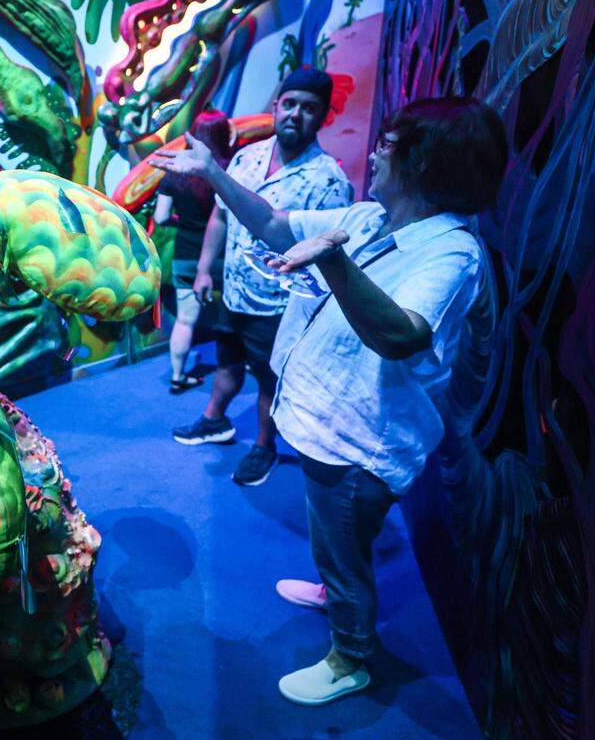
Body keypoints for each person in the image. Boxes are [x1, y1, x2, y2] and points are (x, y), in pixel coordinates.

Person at [150, 96, 507, 705]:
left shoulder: (451, 250)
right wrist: (213, 174)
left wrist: (334, 262)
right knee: (337, 538)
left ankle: (351, 658)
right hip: (327, 422)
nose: (374, 152)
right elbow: (271, 222)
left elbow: (401, 335)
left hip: (361, 440)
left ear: (424, 163)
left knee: (342, 546)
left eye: (389, 146)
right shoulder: (373, 218)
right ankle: (332, 587)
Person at [170, 69, 353, 490]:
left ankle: (265, 446)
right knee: (228, 362)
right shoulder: (246, 158)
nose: (296, 115)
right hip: (234, 293)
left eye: (309, 109)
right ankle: (214, 420)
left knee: (269, 380)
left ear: (322, 116)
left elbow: (328, 254)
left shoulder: (328, 180)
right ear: (276, 107)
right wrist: (203, 270)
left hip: (279, 307)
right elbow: (219, 215)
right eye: (289, 104)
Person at [154, 110, 231, 394]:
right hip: (224, 258)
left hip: (187, 254)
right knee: (237, 319)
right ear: (225, 135)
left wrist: (183, 221)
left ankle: (177, 376)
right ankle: (243, 368)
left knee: (185, 319)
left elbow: (161, 217)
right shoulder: (230, 169)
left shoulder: (176, 174)